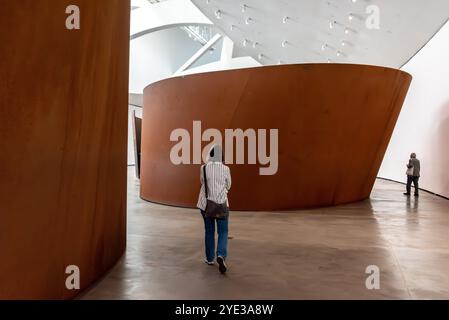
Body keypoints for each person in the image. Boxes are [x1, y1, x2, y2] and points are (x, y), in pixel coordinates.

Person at [197, 144, 232, 274]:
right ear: (221, 156)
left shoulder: (204, 168)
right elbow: (229, 185)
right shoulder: (226, 169)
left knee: (209, 231)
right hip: (222, 204)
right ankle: (221, 255)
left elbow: (202, 182)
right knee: (223, 232)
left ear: (210, 155)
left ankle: (209, 258)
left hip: (206, 205)